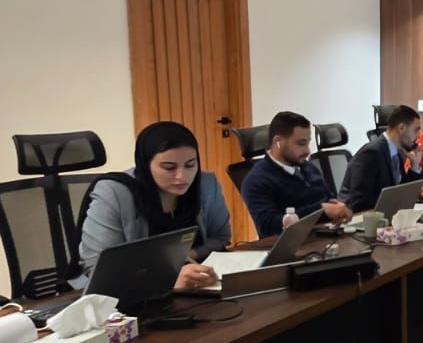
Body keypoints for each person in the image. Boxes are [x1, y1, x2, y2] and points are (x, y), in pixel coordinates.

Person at [78, 121, 230, 292]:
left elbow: (220, 236)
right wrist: (167, 278)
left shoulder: (205, 184)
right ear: (145, 164)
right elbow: (97, 266)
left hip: (194, 286)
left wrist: (186, 256)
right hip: (125, 293)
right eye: (169, 167)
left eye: (190, 165)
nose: (182, 176)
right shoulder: (113, 193)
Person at [238, 110, 351, 236]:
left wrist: (337, 208)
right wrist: (321, 211)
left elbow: (327, 200)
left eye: (308, 143)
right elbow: (268, 227)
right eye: (301, 144)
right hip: (295, 244)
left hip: (327, 235)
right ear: (278, 142)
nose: (307, 151)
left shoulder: (308, 167)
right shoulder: (256, 180)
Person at [341, 104, 423, 211]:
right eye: (415, 130)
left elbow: (403, 192)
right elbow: (359, 201)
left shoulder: (396, 151)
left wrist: (414, 166)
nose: (418, 136)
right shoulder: (371, 153)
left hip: (387, 214)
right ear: (401, 128)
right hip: (362, 217)